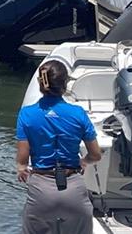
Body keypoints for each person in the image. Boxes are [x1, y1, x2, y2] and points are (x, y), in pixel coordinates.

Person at [16, 59, 102, 234]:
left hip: (41, 190)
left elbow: (23, 159)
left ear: (41, 84)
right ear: (65, 84)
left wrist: (21, 168)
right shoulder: (78, 113)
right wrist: (84, 161)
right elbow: (96, 154)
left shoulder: (27, 114)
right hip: (74, 191)